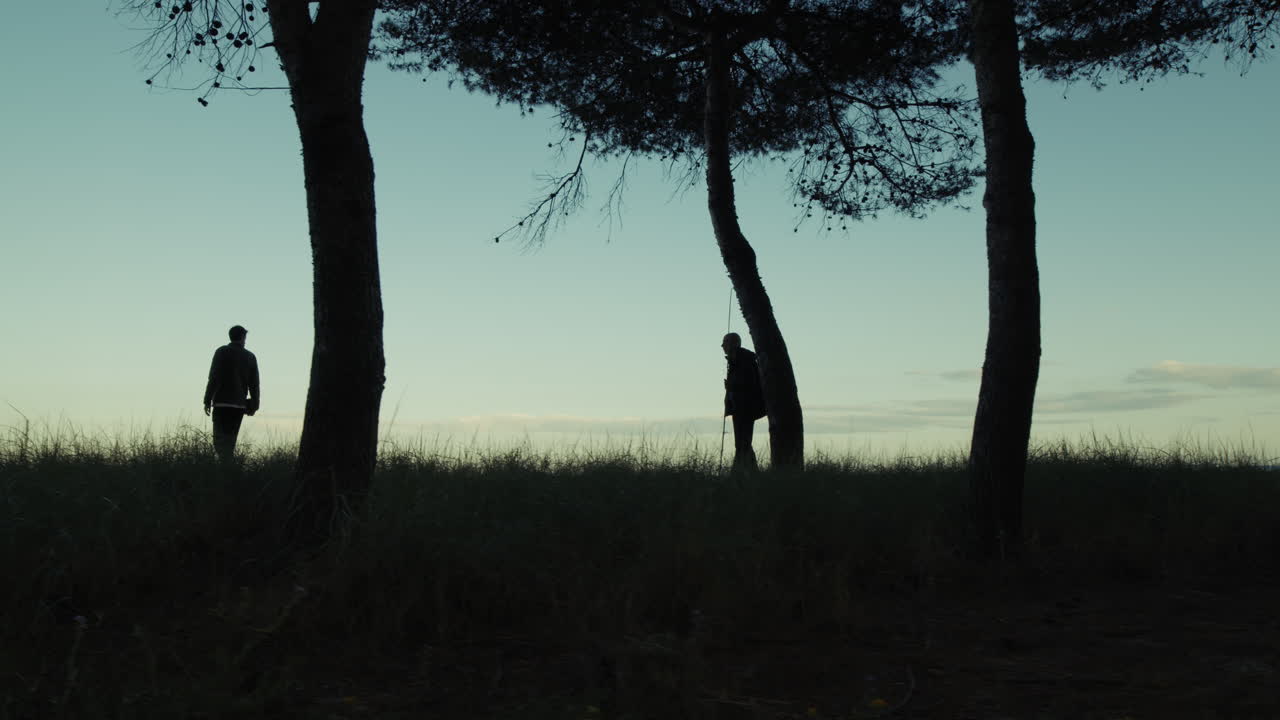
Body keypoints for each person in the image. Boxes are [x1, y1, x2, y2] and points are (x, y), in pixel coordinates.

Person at [203, 324, 260, 462]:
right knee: (230, 441)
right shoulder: (250, 356)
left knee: (219, 441)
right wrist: (254, 404)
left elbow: (213, 377)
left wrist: (207, 399)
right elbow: (254, 384)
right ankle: (229, 469)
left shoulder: (221, 352)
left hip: (221, 403)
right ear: (243, 337)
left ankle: (225, 469)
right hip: (239, 405)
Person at [722, 332, 766, 472]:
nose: (722, 346)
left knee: (742, 443)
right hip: (740, 407)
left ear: (732, 344)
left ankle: (739, 474)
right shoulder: (738, 360)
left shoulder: (744, 361)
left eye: (725, 343)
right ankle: (751, 474)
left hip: (744, 408)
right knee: (743, 443)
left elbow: (748, 384)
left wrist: (731, 386)